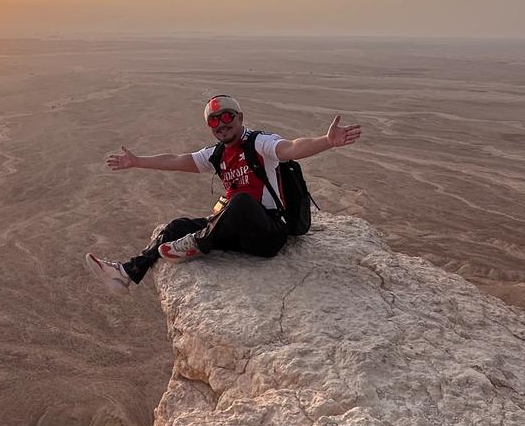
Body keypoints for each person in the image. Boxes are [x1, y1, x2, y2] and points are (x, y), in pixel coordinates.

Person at [84, 94, 362, 293]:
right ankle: (126, 273)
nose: (222, 124)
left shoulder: (259, 143)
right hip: (233, 232)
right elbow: (178, 160)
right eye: (214, 121)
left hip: (267, 235)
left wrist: (327, 142)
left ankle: (197, 244)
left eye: (227, 116)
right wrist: (138, 161)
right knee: (177, 226)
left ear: (240, 117)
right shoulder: (217, 154)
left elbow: (291, 148)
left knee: (241, 201)